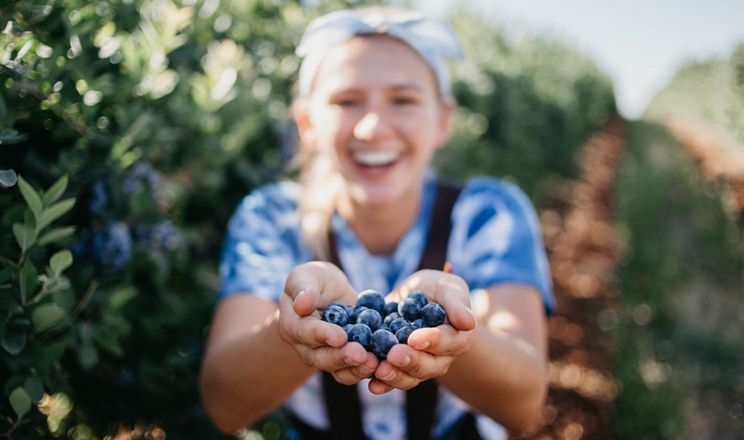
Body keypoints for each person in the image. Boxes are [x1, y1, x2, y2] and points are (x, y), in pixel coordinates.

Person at [199, 6, 555, 440]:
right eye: (346, 101)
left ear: (442, 120)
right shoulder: (271, 219)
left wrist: (454, 338)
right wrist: (290, 330)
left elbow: (523, 406)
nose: (372, 127)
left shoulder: (488, 215)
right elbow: (223, 404)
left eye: (403, 100)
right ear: (307, 124)